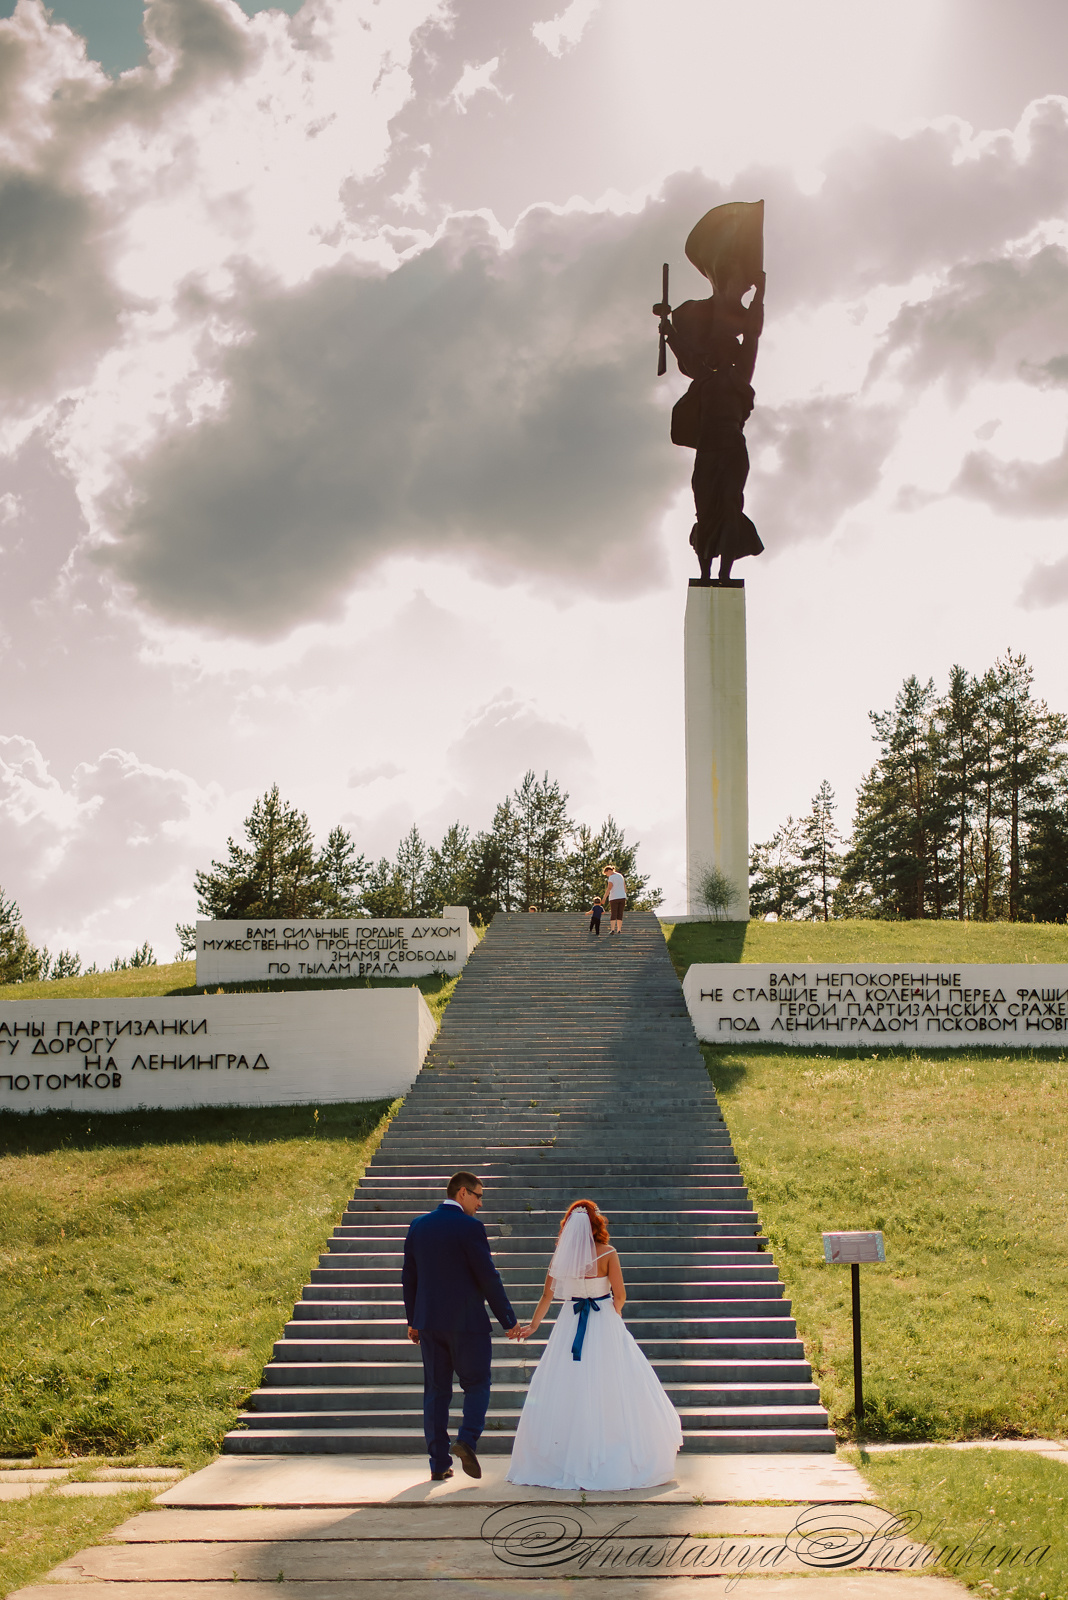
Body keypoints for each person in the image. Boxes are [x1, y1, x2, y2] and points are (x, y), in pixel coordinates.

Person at [506, 1200, 682, 1491]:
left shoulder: (561, 1257)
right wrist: (615, 1316)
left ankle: (565, 1458)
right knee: (611, 1383)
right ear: (597, 1223)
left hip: (570, 1322)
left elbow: (547, 1296)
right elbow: (620, 1295)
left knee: (568, 1384)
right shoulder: (608, 1253)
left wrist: (534, 1325)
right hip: (603, 1320)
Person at [402, 1171, 522, 1482]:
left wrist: (413, 1320)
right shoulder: (470, 1228)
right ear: (462, 1193)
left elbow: (409, 1277)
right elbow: (488, 1277)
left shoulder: (418, 1225)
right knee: (478, 1384)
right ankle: (467, 1440)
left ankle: (438, 1463)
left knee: (436, 1391)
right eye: (478, 1196)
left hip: (429, 1323)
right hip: (468, 1324)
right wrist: (508, 1320)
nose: (480, 1203)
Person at [603, 864, 626, 935]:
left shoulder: (611, 877)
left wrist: (604, 898)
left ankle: (612, 929)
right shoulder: (620, 876)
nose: (607, 875)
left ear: (608, 871)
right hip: (622, 897)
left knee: (614, 913)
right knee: (620, 913)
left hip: (614, 897)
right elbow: (624, 886)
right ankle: (619, 929)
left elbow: (609, 888)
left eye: (606, 874)